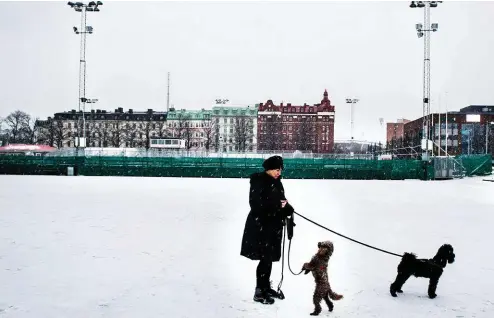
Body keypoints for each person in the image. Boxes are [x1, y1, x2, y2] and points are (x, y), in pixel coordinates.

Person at [240, 155, 295, 305]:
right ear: (269, 169)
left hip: (273, 226)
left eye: (280, 170)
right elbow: (256, 205)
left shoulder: (277, 183)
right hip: (261, 227)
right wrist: (277, 208)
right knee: (265, 258)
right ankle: (259, 291)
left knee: (269, 257)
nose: (279, 172)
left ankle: (265, 287)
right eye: (276, 170)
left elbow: (282, 200)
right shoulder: (259, 182)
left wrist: (287, 208)